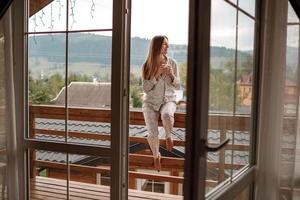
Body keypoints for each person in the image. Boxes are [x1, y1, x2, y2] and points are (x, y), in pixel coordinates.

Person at [141, 35, 180, 171]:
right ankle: (156, 156)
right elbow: (145, 88)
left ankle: (169, 135)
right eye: (164, 44)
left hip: (168, 100)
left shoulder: (173, 63)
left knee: (167, 116)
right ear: (157, 46)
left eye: (167, 44)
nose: (167, 47)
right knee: (152, 133)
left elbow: (178, 86)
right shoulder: (147, 65)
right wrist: (157, 74)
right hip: (150, 103)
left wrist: (171, 75)